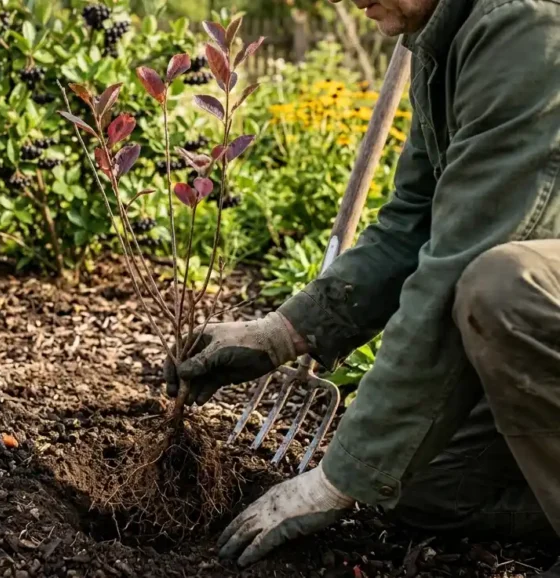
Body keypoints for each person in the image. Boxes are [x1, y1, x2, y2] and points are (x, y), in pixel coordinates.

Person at [163, 0, 560, 570]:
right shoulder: (443, 39)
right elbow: (413, 220)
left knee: (502, 287)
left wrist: (334, 481)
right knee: (428, 484)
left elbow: (459, 265)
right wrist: (282, 333)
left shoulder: (527, 27)